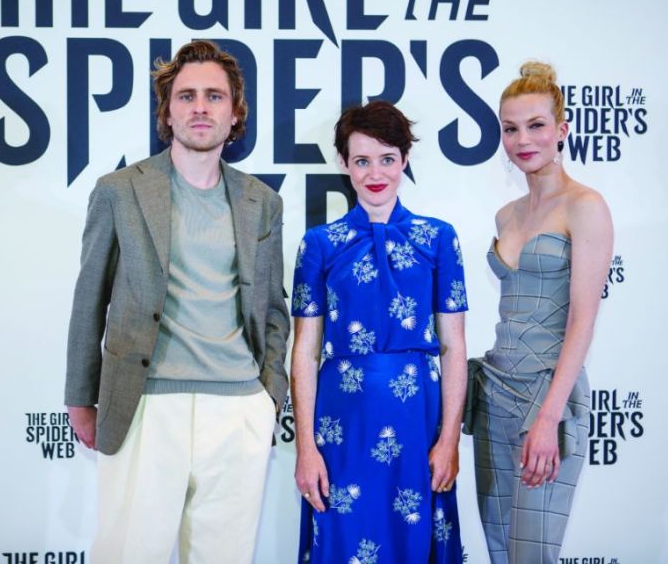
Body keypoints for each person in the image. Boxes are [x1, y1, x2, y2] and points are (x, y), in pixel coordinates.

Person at [64, 40, 290, 564]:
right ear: (167, 112)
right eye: (186, 96)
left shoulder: (262, 202)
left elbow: (273, 310)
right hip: (144, 404)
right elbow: (89, 299)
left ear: (235, 113)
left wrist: (268, 398)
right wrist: (80, 396)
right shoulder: (119, 191)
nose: (200, 108)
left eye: (215, 96)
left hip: (238, 410)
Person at [291, 101, 467, 563]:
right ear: (344, 163)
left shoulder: (438, 238)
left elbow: (453, 348)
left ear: (405, 160)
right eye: (362, 160)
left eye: (387, 159)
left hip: (418, 423)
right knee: (343, 539)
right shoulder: (318, 244)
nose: (375, 173)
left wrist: (449, 439)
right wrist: (306, 448)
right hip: (341, 427)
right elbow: (305, 352)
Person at [466, 61, 613, 564]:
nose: (522, 140)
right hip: (493, 394)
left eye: (536, 125)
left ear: (562, 129)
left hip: (547, 397)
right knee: (500, 551)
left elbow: (582, 320)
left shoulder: (585, 205)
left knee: (532, 555)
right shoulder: (505, 215)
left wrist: (549, 418)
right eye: (510, 128)